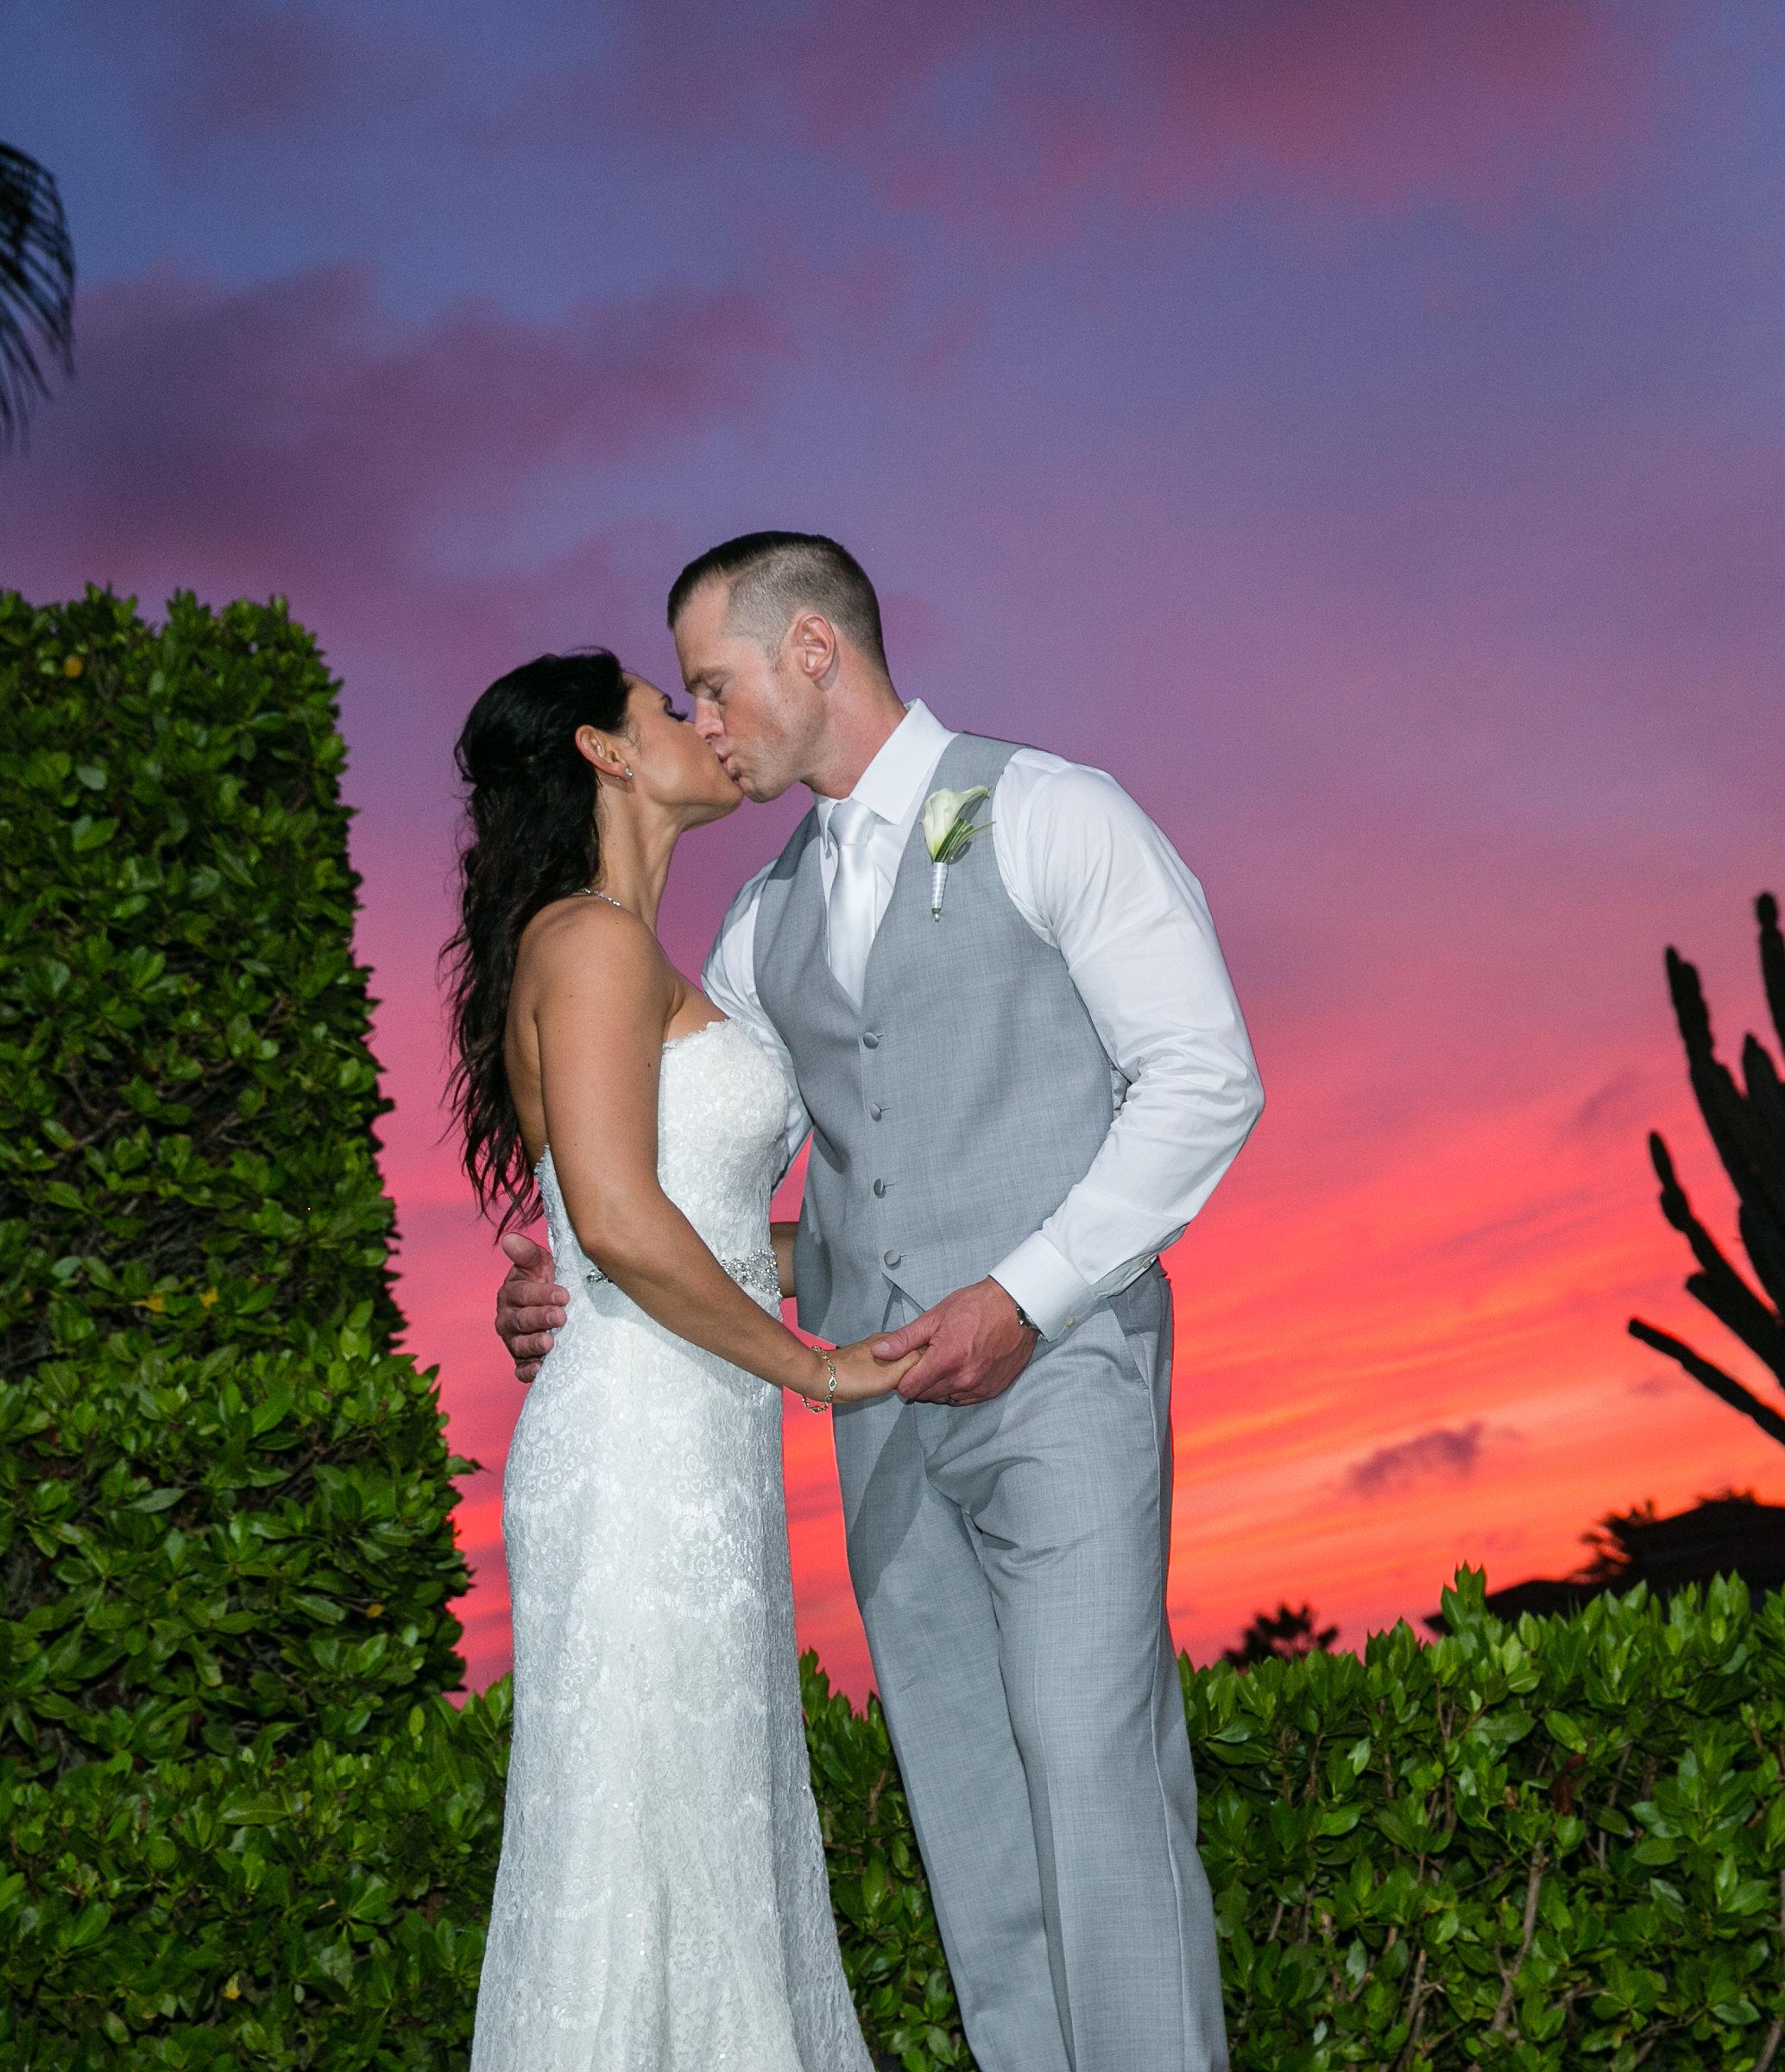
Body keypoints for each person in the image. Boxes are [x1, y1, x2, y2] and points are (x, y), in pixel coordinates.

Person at [496, 533, 1263, 2072]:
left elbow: (1203, 1081)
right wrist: (575, 1274)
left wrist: (1027, 1297)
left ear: (814, 654)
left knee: (1098, 1784)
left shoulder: (1053, 810)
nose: (706, 723)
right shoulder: (761, 927)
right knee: (971, 1820)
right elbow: (709, 1183)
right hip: (883, 1429)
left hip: (1063, 1386)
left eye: (715, 684)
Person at [445, 647, 906, 2069]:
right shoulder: (584, 940)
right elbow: (624, 1220)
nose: (706, 726)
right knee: (635, 1861)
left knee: (711, 1844)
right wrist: (816, 1369)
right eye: (671, 706)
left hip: (700, 1451)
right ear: (605, 751)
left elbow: (683, 1220)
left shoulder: (634, 950)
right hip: (641, 1447)